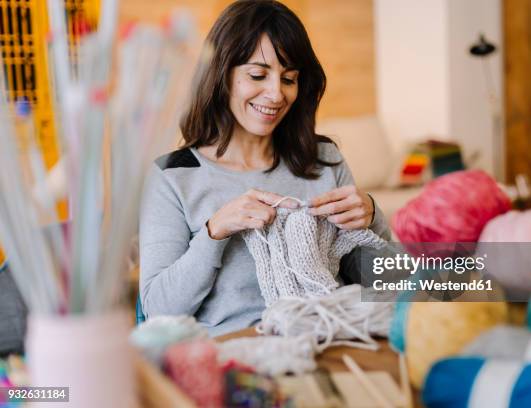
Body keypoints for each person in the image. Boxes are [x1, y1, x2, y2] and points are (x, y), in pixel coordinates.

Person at [139, 0, 390, 336]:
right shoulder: (173, 176)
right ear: (221, 74)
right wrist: (214, 232)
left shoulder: (323, 158)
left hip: (330, 338)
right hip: (234, 356)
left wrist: (374, 216)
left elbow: (388, 282)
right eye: (258, 74)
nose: (275, 94)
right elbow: (158, 309)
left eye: (289, 79)